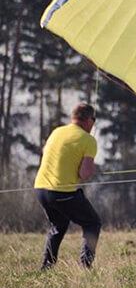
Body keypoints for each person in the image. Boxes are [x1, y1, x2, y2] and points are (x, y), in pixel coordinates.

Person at [34, 103, 101, 270]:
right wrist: (90, 167)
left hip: (40, 189)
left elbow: (46, 152)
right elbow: (85, 174)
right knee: (92, 223)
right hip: (62, 192)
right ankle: (85, 267)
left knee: (58, 226)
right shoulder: (88, 140)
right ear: (89, 120)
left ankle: (46, 268)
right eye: (94, 120)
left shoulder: (57, 131)